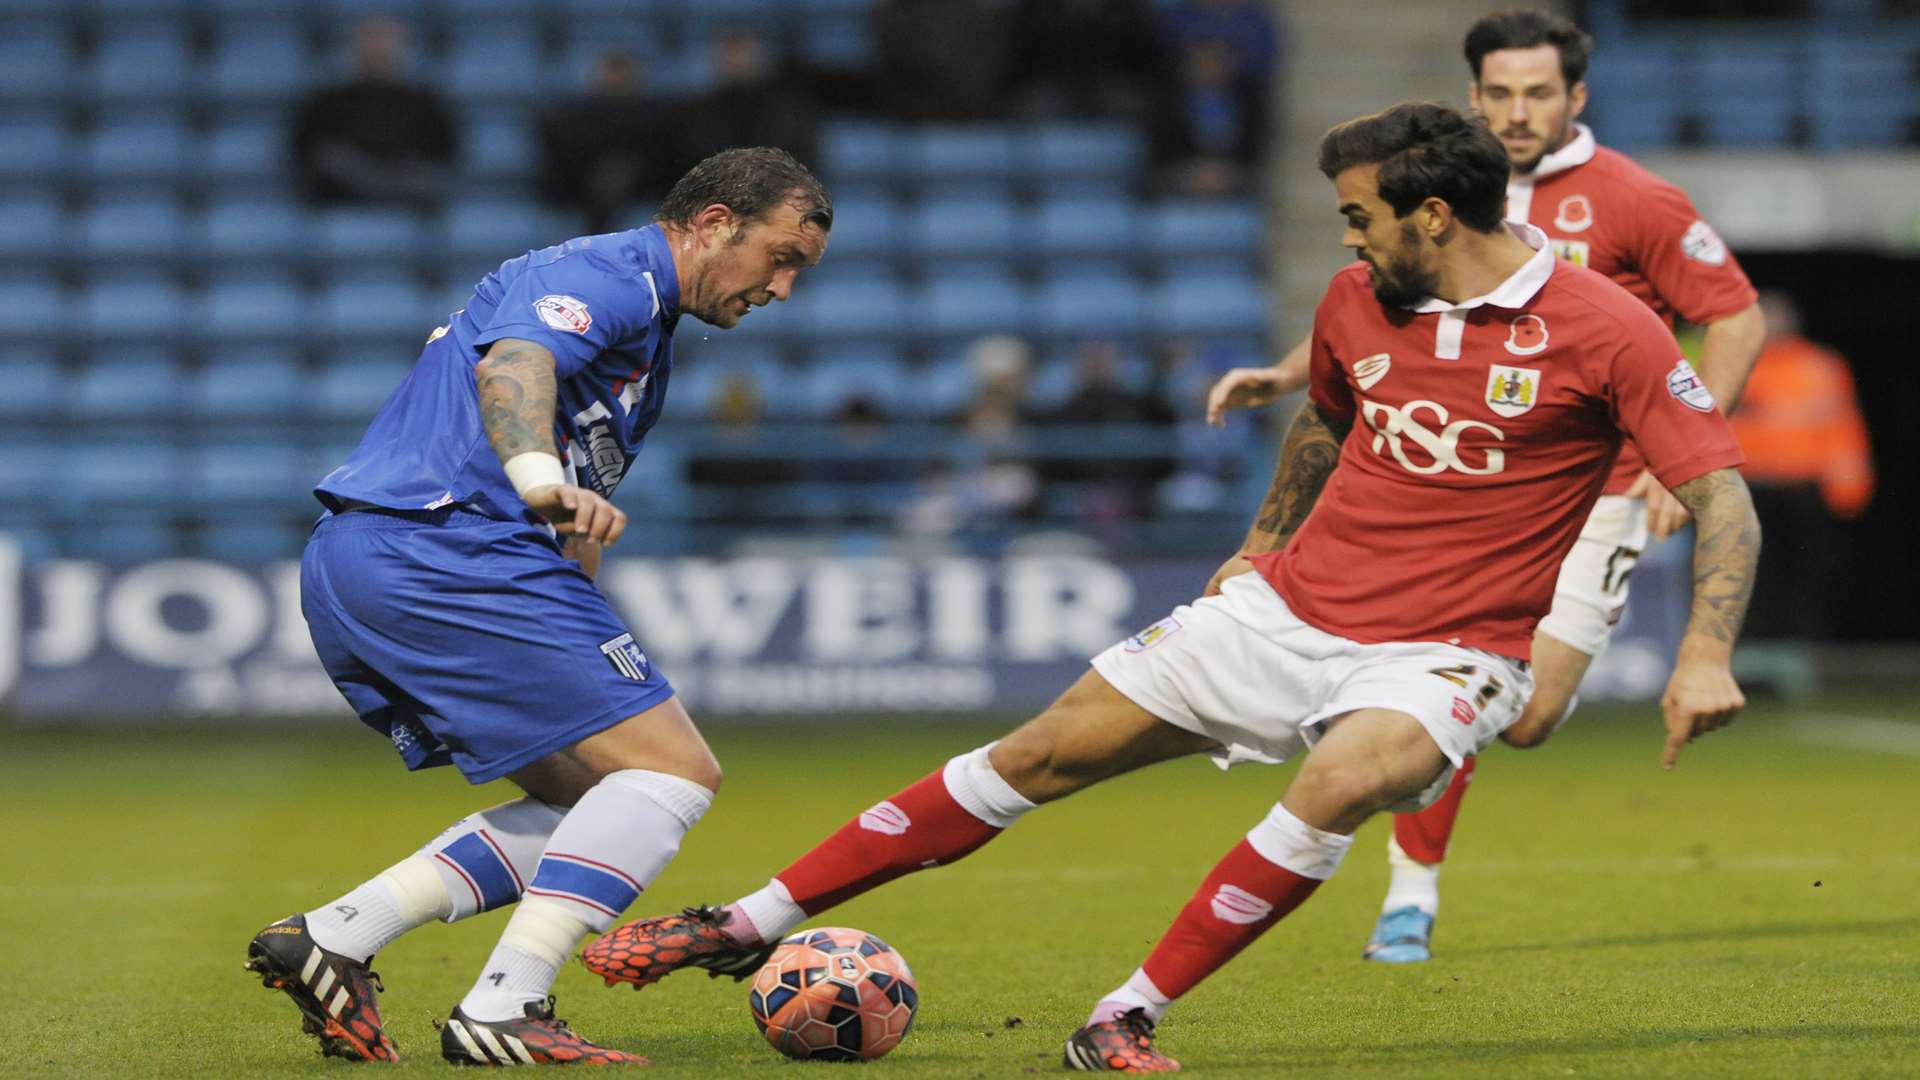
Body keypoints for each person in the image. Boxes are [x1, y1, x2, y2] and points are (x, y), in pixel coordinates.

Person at [579, 103, 1760, 1072]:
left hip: (1450, 647)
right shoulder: (1360, 300)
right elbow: (1327, 419)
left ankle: (1123, 1016)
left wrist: (1704, 653)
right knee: (1034, 756)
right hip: (1285, 607)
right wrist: (1260, 539)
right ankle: (747, 922)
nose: (1347, 240)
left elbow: (1725, 498)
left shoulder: (1605, 330)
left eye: (1360, 217)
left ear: (1434, 214)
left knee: (1355, 774)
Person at [243, 148, 831, 1067]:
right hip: (441, 545)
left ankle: (335, 934)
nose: (784, 289)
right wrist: (537, 480)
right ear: (715, 223)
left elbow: (580, 509)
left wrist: (570, 608)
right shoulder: (606, 275)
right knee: (676, 774)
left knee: (602, 800)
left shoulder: (648, 344)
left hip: (395, 557)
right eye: (781, 258)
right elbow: (513, 368)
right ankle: (504, 1006)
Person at [1203, 9, 1768, 964]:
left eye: (1538, 92)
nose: (1518, 111)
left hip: (1602, 487)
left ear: (1575, 97)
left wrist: (1690, 450)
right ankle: (1408, 896)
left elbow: (1736, 317)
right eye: (1499, 93)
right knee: (1444, 669)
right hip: (1466, 478)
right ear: (1473, 97)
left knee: (1533, 716)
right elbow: (1396, 303)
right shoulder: (1440, 191)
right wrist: (1288, 372)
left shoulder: (1637, 199)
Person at [1726, 291, 1875, 640]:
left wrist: (1850, 486)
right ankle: (1750, 650)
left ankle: (1805, 649)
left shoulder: (1820, 365)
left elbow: (1844, 428)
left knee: (1809, 573)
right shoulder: (1733, 363)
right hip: (1747, 487)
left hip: (1803, 488)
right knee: (1749, 573)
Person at [290, 17, 460, 209]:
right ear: (354, 49)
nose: (377, 50)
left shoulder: (426, 102)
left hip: (406, 182)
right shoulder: (326, 101)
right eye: (370, 43)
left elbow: (446, 154)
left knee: (424, 177)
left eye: (385, 44)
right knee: (332, 159)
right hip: (344, 189)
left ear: (401, 50)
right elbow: (304, 151)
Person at [534, 49, 674, 235]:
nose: (617, 80)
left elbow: (665, 162)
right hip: (579, 192)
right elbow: (560, 164)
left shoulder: (657, 118)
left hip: (641, 191)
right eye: (612, 73)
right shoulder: (571, 117)